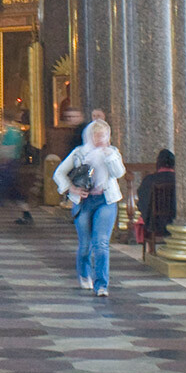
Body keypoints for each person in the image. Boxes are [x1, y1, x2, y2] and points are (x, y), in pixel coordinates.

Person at [54, 117, 126, 297]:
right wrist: (71, 188)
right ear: (90, 137)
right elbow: (59, 173)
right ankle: (84, 273)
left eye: (104, 136)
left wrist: (109, 156)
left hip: (105, 201)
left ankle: (101, 284)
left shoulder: (113, 153)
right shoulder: (79, 153)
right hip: (85, 202)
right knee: (85, 245)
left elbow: (118, 173)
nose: (100, 140)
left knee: (101, 243)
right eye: (97, 136)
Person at [0, 116, 33, 225]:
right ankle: (26, 214)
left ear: (6, 120)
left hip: (7, 165)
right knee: (15, 192)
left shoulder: (10, 133)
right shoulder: (16, 132)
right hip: (12, 165)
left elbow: (7, 149)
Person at [136, 148, 176, 238]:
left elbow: (142, 200)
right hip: (175, 220)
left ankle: (150, 248)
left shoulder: (149, 179)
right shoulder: (178, 180)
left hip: (154, 223)